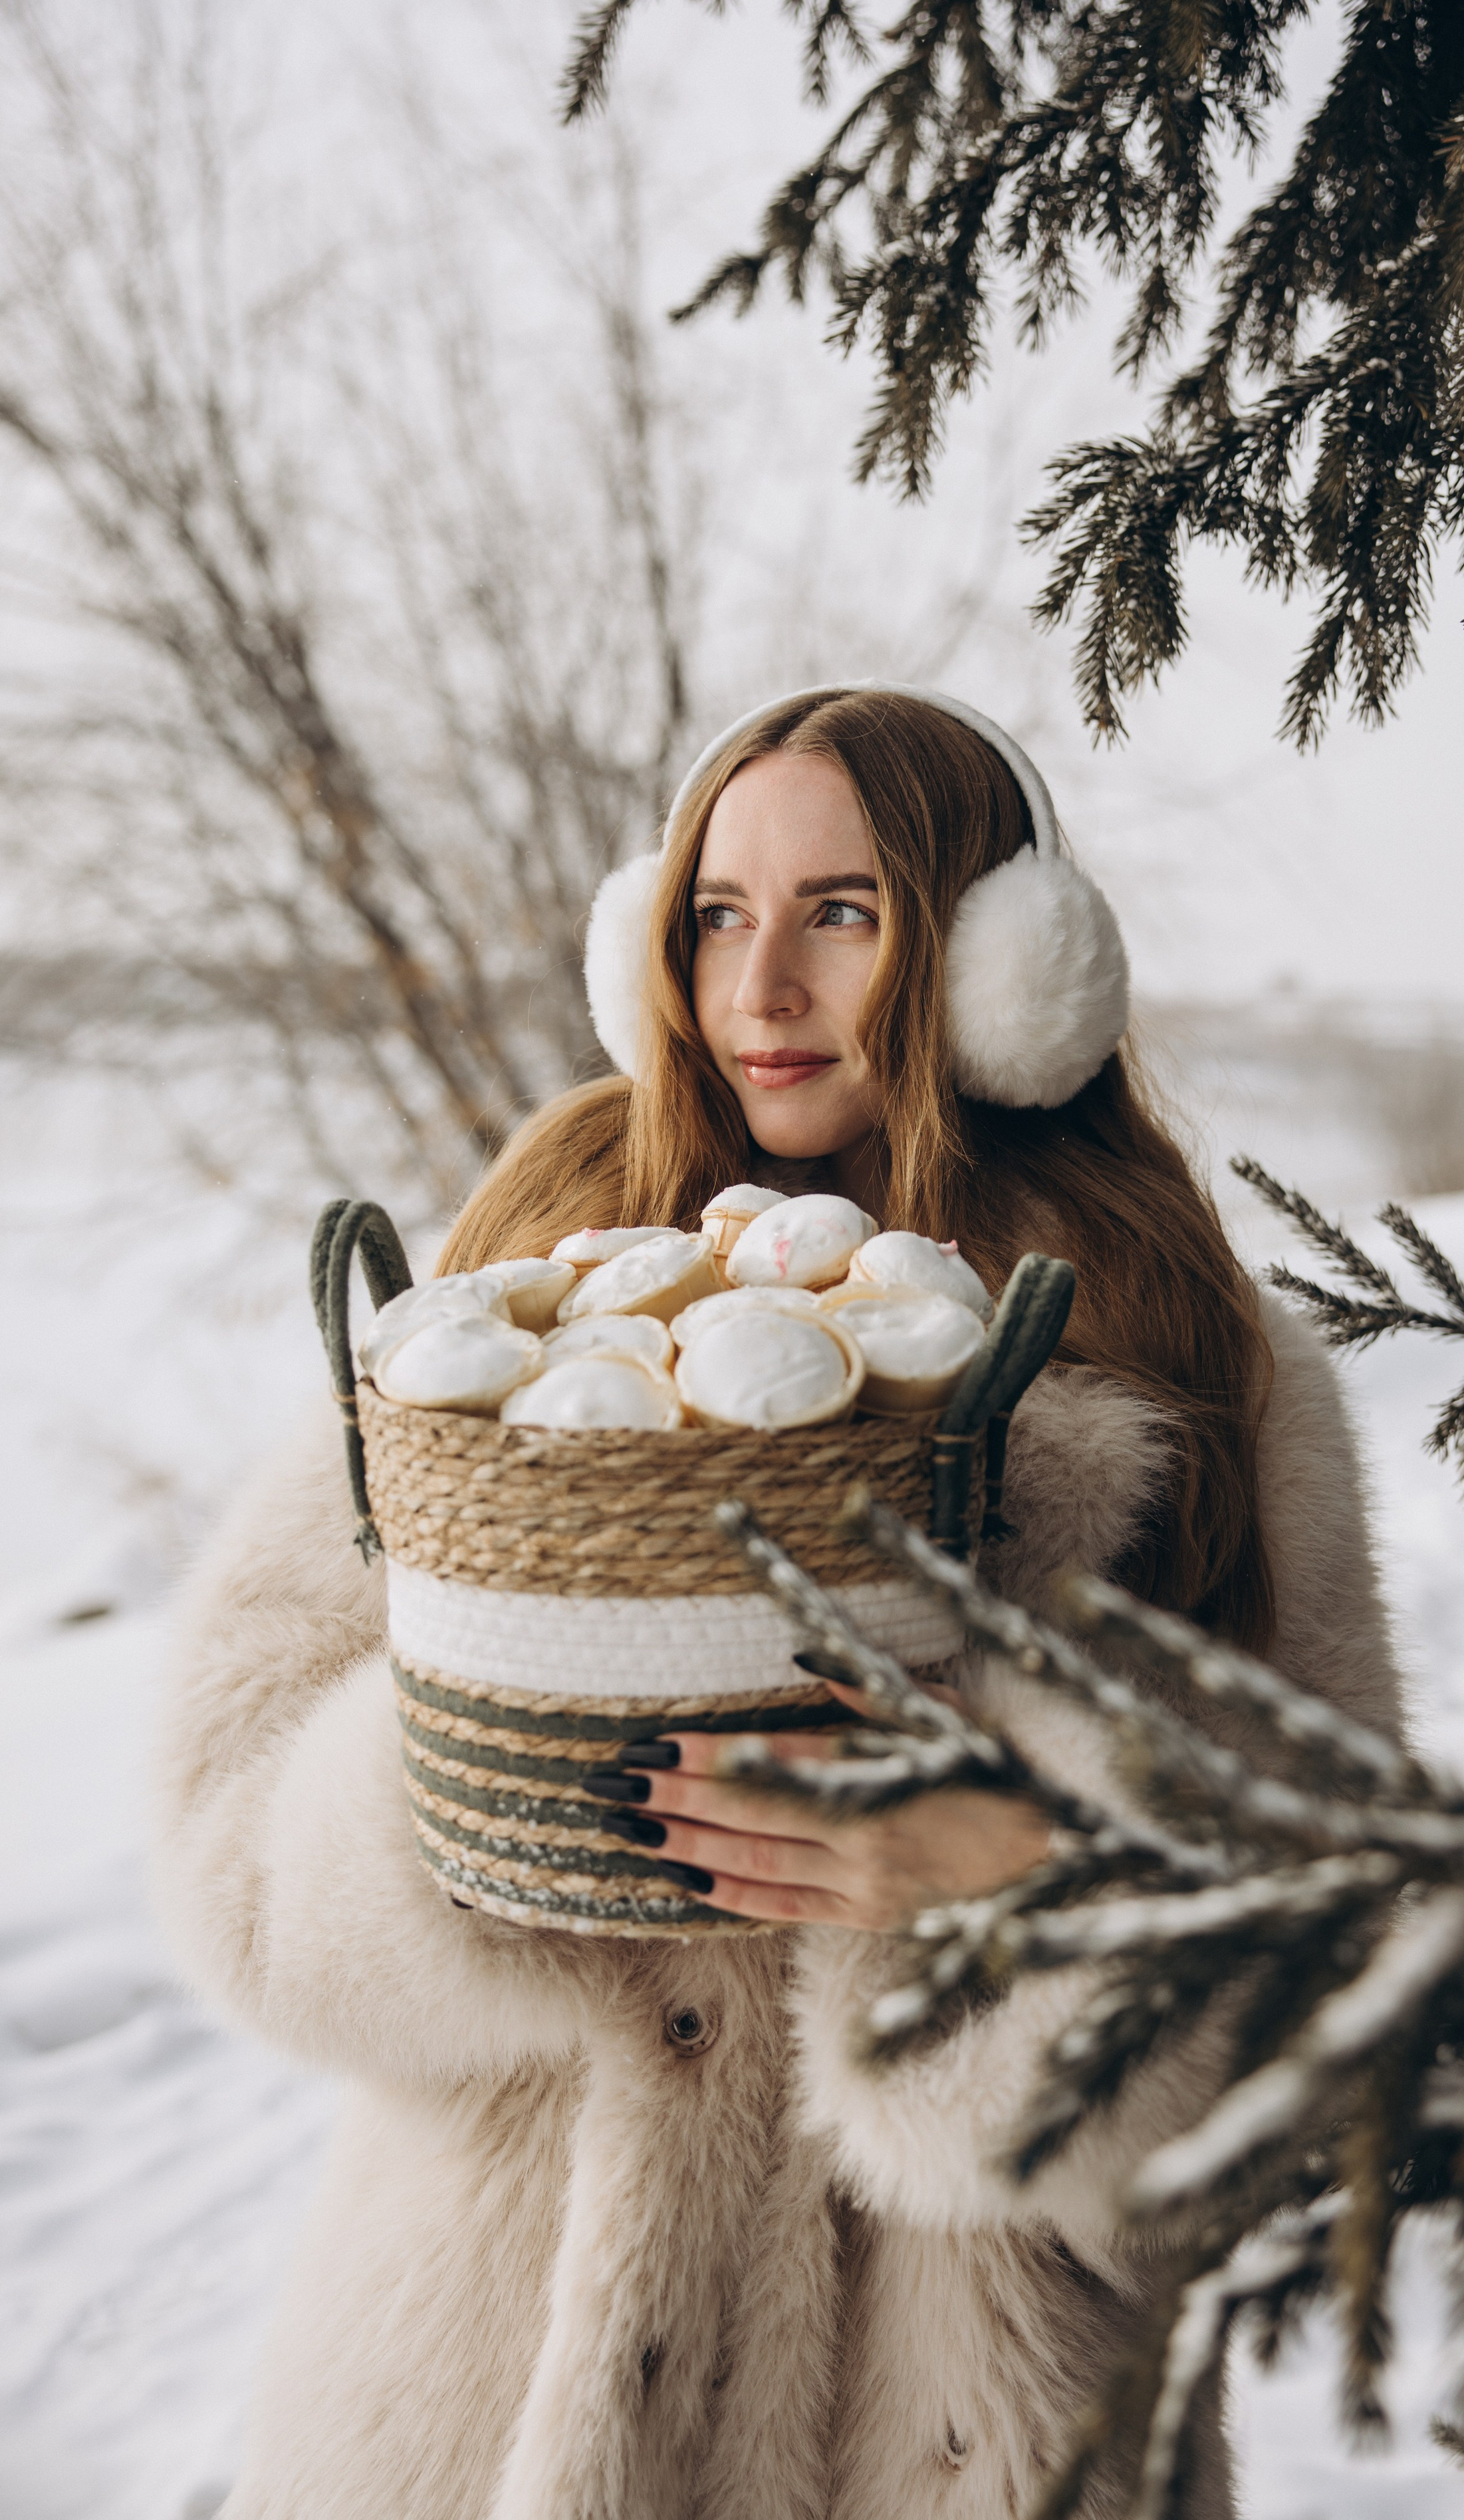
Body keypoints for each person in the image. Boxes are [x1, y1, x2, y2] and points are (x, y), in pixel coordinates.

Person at [156, 686, 1400, 2519]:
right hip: (474, 2409)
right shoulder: (527, 1287)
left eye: (844, 912)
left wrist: (1026, 1880)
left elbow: (1338, 1970)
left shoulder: (1205, 1369)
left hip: (967, 2435)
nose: (761, 987)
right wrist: (487, 1772)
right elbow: (234, 1839)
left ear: (1001, 961)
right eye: (717, 914)